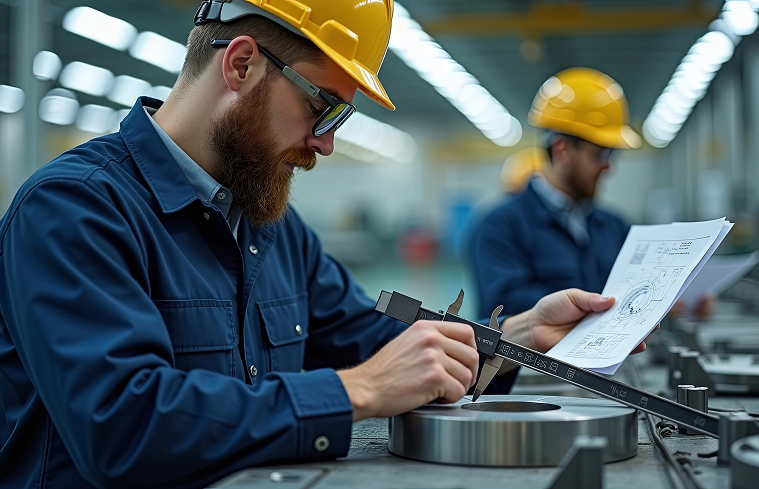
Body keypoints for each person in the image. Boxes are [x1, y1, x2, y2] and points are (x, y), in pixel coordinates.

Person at [0, 4, 654, 488]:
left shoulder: (271, 227)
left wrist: (512, 333)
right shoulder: (75, 211)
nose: (326, 144)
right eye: (323, 108)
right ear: (241, 63)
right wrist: (354, 392)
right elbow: (121, 427)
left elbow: (375, 340)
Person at [469, 68, 713, 320]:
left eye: (612, 154)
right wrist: (613, 305)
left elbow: (642, 286)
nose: (609, 166)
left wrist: (676, 299)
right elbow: (505, 309)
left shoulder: (615, 227)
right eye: (600, 154)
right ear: (562, 149)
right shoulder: (499, 227)